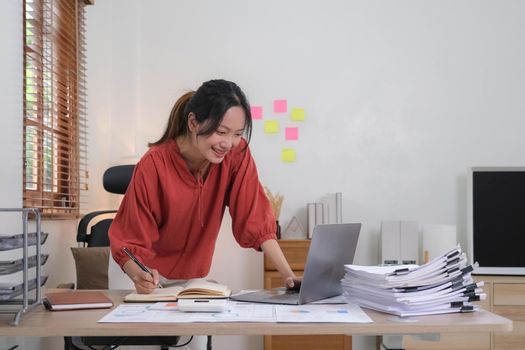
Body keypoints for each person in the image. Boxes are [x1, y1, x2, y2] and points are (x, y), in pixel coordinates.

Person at [109, 79, 301, 294]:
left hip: (191, 279)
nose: (228, 143)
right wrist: (139, 275)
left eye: (237, 134)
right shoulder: (153, 164)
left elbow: (255, 218)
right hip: (140, 274)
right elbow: (129, 240)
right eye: (220, 132)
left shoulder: (236, 155)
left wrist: (289, 276)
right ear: (193, 123)